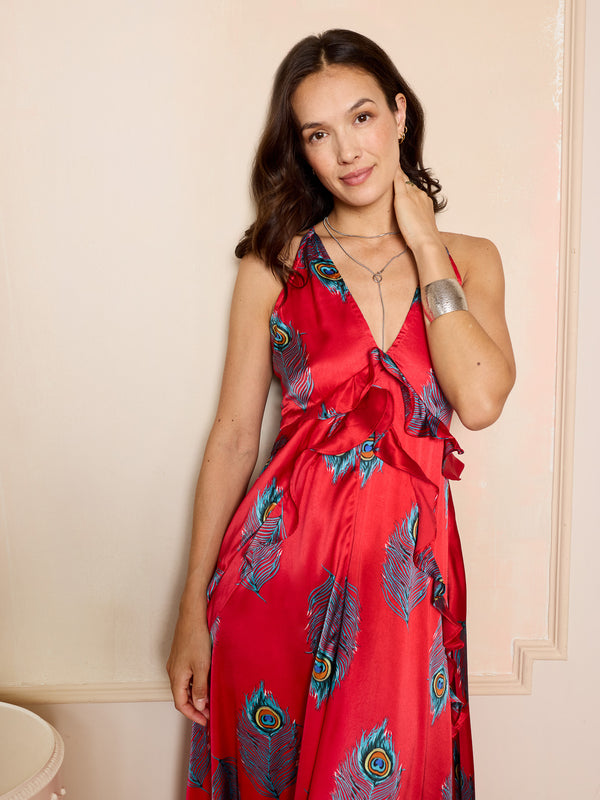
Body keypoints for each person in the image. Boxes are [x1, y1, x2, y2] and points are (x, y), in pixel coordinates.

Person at [167, 28, 515, 800]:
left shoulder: (470, 259)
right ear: (301, 150)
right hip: (275, 585)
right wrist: (191, 608)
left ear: (398, 114)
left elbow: (481, 398)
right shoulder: (275, 264)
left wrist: (424, 242)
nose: (348, 151)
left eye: (362, 118)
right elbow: (234, 438)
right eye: (318, 134)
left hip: (403, 591)